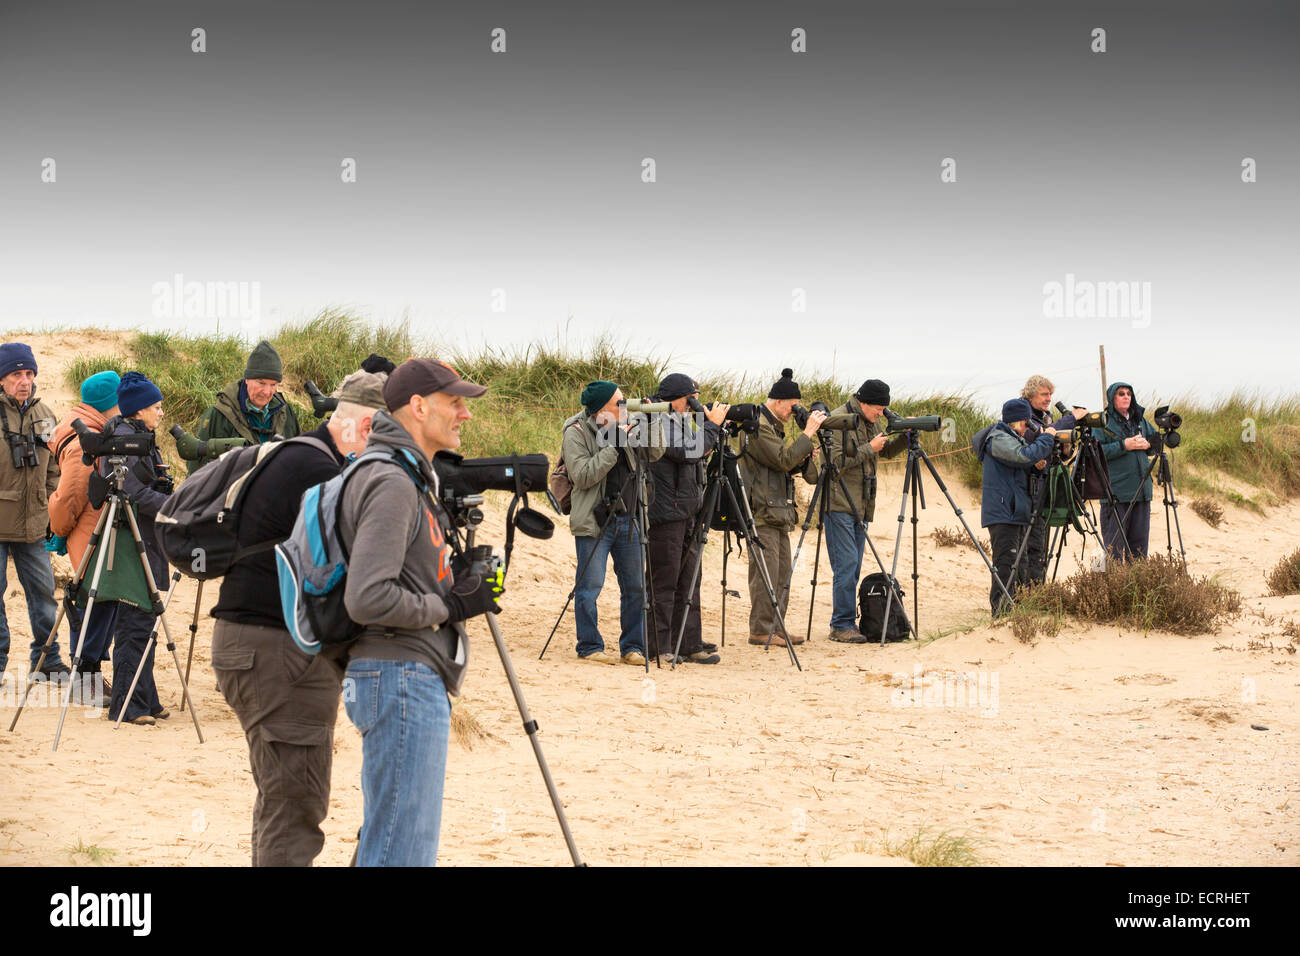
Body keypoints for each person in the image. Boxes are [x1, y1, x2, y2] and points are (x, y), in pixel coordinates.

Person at [210, 368, 388, 866]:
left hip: (257, 646)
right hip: (277, 652)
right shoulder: (321, 470)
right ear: (368, 426)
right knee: (295, 806)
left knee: (281, 799)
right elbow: (353, 575)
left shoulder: (300, 454)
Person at [340, 358, 502, 867]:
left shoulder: (405, 473)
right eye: (454, 402)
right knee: (401, 849)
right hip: (401, 675)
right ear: (417, 406)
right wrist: (449, 604)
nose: (464, 414)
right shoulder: (392, 479)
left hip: (401, 674)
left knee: (391, 838)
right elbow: (366, 596)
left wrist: (454, 582)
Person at [562, 380, 665, 665]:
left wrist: (651, 421)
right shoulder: (576, 431)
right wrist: (614, 444)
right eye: (618, 403)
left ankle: (633, 647)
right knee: (589, 587)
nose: (624, 406)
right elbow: (582, 475)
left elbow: (655, 453)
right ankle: (589, 645)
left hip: (630, 516)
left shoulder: (627, 421)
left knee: (635, 588)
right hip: (595, 520)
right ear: (600, 409)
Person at [102, 372, 173, 725]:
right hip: (132, 541)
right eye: (157, 407)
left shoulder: (139, 436)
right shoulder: (123, 442)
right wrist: (173, 507)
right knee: (134, 621)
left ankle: (145, 699)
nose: (161, 413)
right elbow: (132, 493)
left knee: (143, 618)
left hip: (144, 536)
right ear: (139, 410)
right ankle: (127, 706)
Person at [47, 371, 122, 703]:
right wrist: (60, 531)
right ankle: (85, 680)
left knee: (97, 601)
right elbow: (69, 499)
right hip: (90, 532)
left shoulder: (93, 430)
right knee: (95, 602)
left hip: (94, 530)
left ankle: (88, 678)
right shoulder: (85, 442)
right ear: (109, 404)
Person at [646, 373, 727, 664]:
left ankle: (688, 642)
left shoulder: (682, 420)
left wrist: (710, 428)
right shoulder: (654, 422)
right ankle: (660, 646)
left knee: (690, 579)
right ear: (678, 398)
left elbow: (699, 451)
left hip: (688, 510)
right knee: (664, 581)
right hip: (666, 512)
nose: (693, 403)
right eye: (691, 397)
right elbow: (687, 452)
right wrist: (711, 426)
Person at [740, 369, 824, 646]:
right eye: (791, 406)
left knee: (782, 573)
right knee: (765, 573)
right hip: (762, 511)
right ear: (778, 402)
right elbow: (783, 459)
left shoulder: (774, 426)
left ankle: (775, 627)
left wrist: (807, 450)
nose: (793, 412)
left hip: (779, 511)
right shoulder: (757, 425)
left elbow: (800, 469)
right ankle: (761, 630)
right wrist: (807, 434)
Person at [0, 342, 68, 685]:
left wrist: (53, 504)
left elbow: (56, 466)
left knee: (43, 595)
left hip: (34, 523)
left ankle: (47, 661)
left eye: (28, 373)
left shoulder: (46, 414)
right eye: (16, 374)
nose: (24, 381)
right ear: (2, 379)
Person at [820, 379, 907, 643]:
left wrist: (905, 435)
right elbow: (834, 462)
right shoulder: (837, 420)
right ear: (863, 402)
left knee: (854, 566)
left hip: (862, 504)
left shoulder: (871, 421)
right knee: (846, 565)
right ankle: (841, 624)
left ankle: (847, 622)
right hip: (839, 502)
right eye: (878, 408)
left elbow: (885, 451)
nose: (880, 413)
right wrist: (870, 447)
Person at [977, 398, 1057, 615]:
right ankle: (1001, 613)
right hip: (1004, 513)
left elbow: (1023, 464)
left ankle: (1016, 611)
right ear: (1013, 421)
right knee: (1006, 565)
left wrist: (1037, 467)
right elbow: (1022, 457)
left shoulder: (1013, 438)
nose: (1026, 428)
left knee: (1020, 567)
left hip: (1016, 511)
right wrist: (1047, 438)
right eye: (1024, 423)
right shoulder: (998, 439)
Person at [188, 340, 299, 473]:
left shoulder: (286, 413)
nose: (267, 391)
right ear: (247, 379)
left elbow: (297, 457)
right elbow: (197, 467)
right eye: (261, 383)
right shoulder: (219, 414)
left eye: (273, 384)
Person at [1091, 381, 1159, 560]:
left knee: (1139, 553)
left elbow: (1157, 443)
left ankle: (1135, 587)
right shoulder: (1101, 422)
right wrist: (1124, 445)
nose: (1126, 397)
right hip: (1115, 494)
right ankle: (1109, 587)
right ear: (1112, 398)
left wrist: (1149, 444)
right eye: (1121, 393)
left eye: (1129, 393)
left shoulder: (1140, 420)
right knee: (1114, 551)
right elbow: (1095, 454)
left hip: (1142, 492)